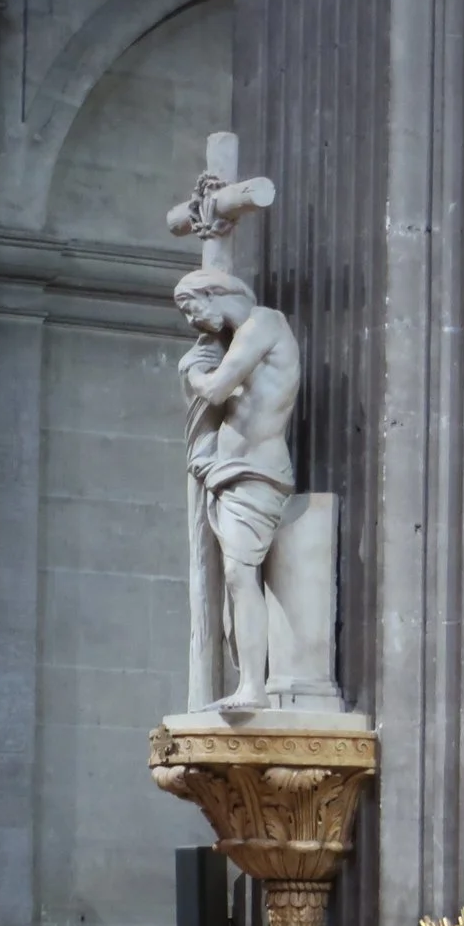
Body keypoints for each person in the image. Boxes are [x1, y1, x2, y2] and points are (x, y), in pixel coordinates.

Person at [175, 268, 301, 711]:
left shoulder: (264, 324)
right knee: (236, 578)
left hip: (257, 470)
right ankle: (248, 683)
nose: (191, 321)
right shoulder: (243, 337)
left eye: (191, 308)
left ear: (212, 293)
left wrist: (192, 370)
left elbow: (216, 389)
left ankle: (254, 686)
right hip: (233, 471)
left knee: (238, 575)